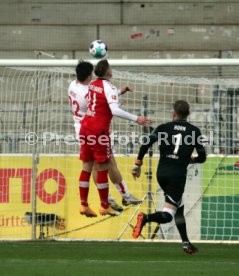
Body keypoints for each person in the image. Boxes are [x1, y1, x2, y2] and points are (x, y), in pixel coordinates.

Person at [131, 100, 206, 254]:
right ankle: (145, 218)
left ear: (173, 113)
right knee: (168, 215)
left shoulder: (163, 128)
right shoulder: (195, 131)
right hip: (177, 176)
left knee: (179, 206)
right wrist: (192, 159)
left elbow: (145, 143)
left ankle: (186, 243)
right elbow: (203, 157)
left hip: (162, 173)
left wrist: (138, 163)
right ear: (188, 114)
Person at [68, 61, 143, 215]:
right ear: (89, 76)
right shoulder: (89, 90)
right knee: (103, 165)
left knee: (90, 166)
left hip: (82, 129)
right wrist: (135, 117)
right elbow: (106, 105)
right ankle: (109, 200)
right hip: (95, 130)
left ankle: (91, 202)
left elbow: (99, 97)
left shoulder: (73, 85)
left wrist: (117, 93)